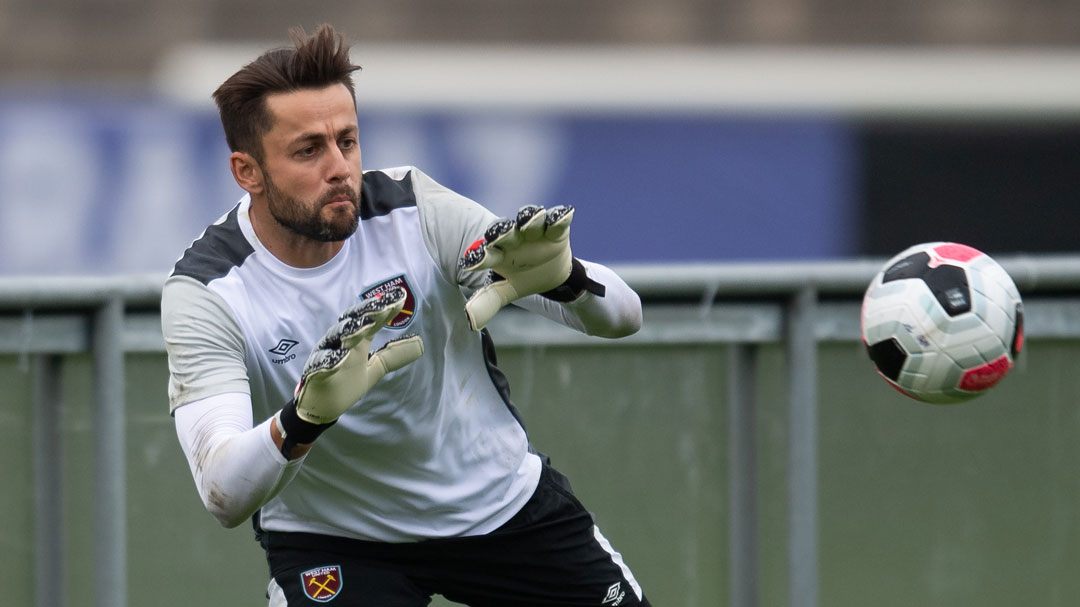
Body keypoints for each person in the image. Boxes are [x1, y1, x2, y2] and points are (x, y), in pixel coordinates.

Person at [161, 23, 650, 607]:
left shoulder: (415, 209)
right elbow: (223, 494)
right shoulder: (205, 290)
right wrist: (303, 420)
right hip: (337, 539)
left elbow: (623, 317)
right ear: (248, 172)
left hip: (496, 504)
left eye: (347, 140)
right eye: (308, 150)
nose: (339, 167)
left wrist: (565, 278)